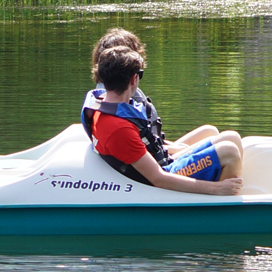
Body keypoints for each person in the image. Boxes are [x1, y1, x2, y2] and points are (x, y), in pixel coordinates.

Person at [87, 46, 243, 196]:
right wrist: (216, 188)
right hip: (162, 176)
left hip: (158, 163)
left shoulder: (102, 104)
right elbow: (158, 179)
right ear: (134, 79)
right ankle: (222, 210)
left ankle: (231, 192)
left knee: (231, 137)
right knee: (229, 153)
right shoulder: (119, 128)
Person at [84, 28, 218, 155]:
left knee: (210, 132)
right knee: (223, 142)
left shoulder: (123, 90)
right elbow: (132, 142)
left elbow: (144, 135)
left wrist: (170, 146)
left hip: (154, 147)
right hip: (150, 158)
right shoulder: (115, 96)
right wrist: (173, 150)